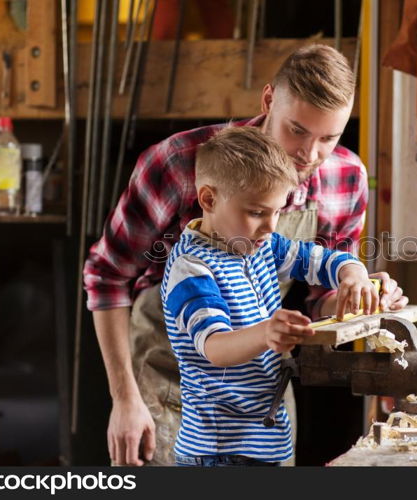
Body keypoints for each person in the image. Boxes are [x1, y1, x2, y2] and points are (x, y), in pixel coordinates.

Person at [83, 44, 409, 466]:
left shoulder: (345, 177)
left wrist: (360, 295)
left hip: (261, 392)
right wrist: (124, 398)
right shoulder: (180, 163)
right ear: (269, 99)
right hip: (174, 387)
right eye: (297, 130)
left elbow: (318, 298)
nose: (309, 155)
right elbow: (107, 276)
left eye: (328, 138)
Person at [163, 126, 378, 466]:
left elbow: (321, 260)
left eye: (277, 212)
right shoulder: (192, 269)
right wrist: (266, 333)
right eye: (257, 212)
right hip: (221, 449)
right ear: (209, 199)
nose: (271, 226)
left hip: (264, 438)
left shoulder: (260, 246)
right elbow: (215, 347)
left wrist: (353, 273)